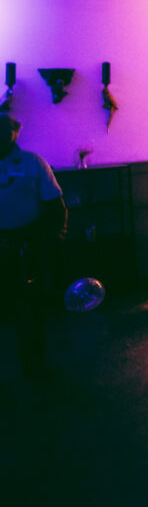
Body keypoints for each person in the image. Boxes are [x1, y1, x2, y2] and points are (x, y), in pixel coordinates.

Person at [0, 110, 66, 378]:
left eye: (6, 132)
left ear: (14, 134)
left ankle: (34, 364)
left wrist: (54, 240)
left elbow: (56, 206)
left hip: (29, 245)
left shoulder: (32, 163)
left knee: (32, 307)